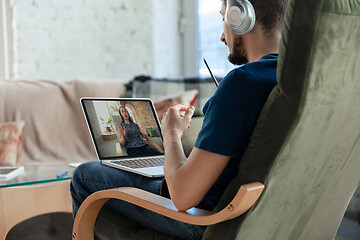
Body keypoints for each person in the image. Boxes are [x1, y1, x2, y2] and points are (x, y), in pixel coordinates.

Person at [70, 0, 288, 239]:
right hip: (261, 219)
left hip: (205, 220)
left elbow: (183, 196)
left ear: (239, 17)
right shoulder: (295, 82)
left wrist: (171, 134)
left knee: (85, 174)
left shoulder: (242, 84)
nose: (222, 37)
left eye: (223, 18)